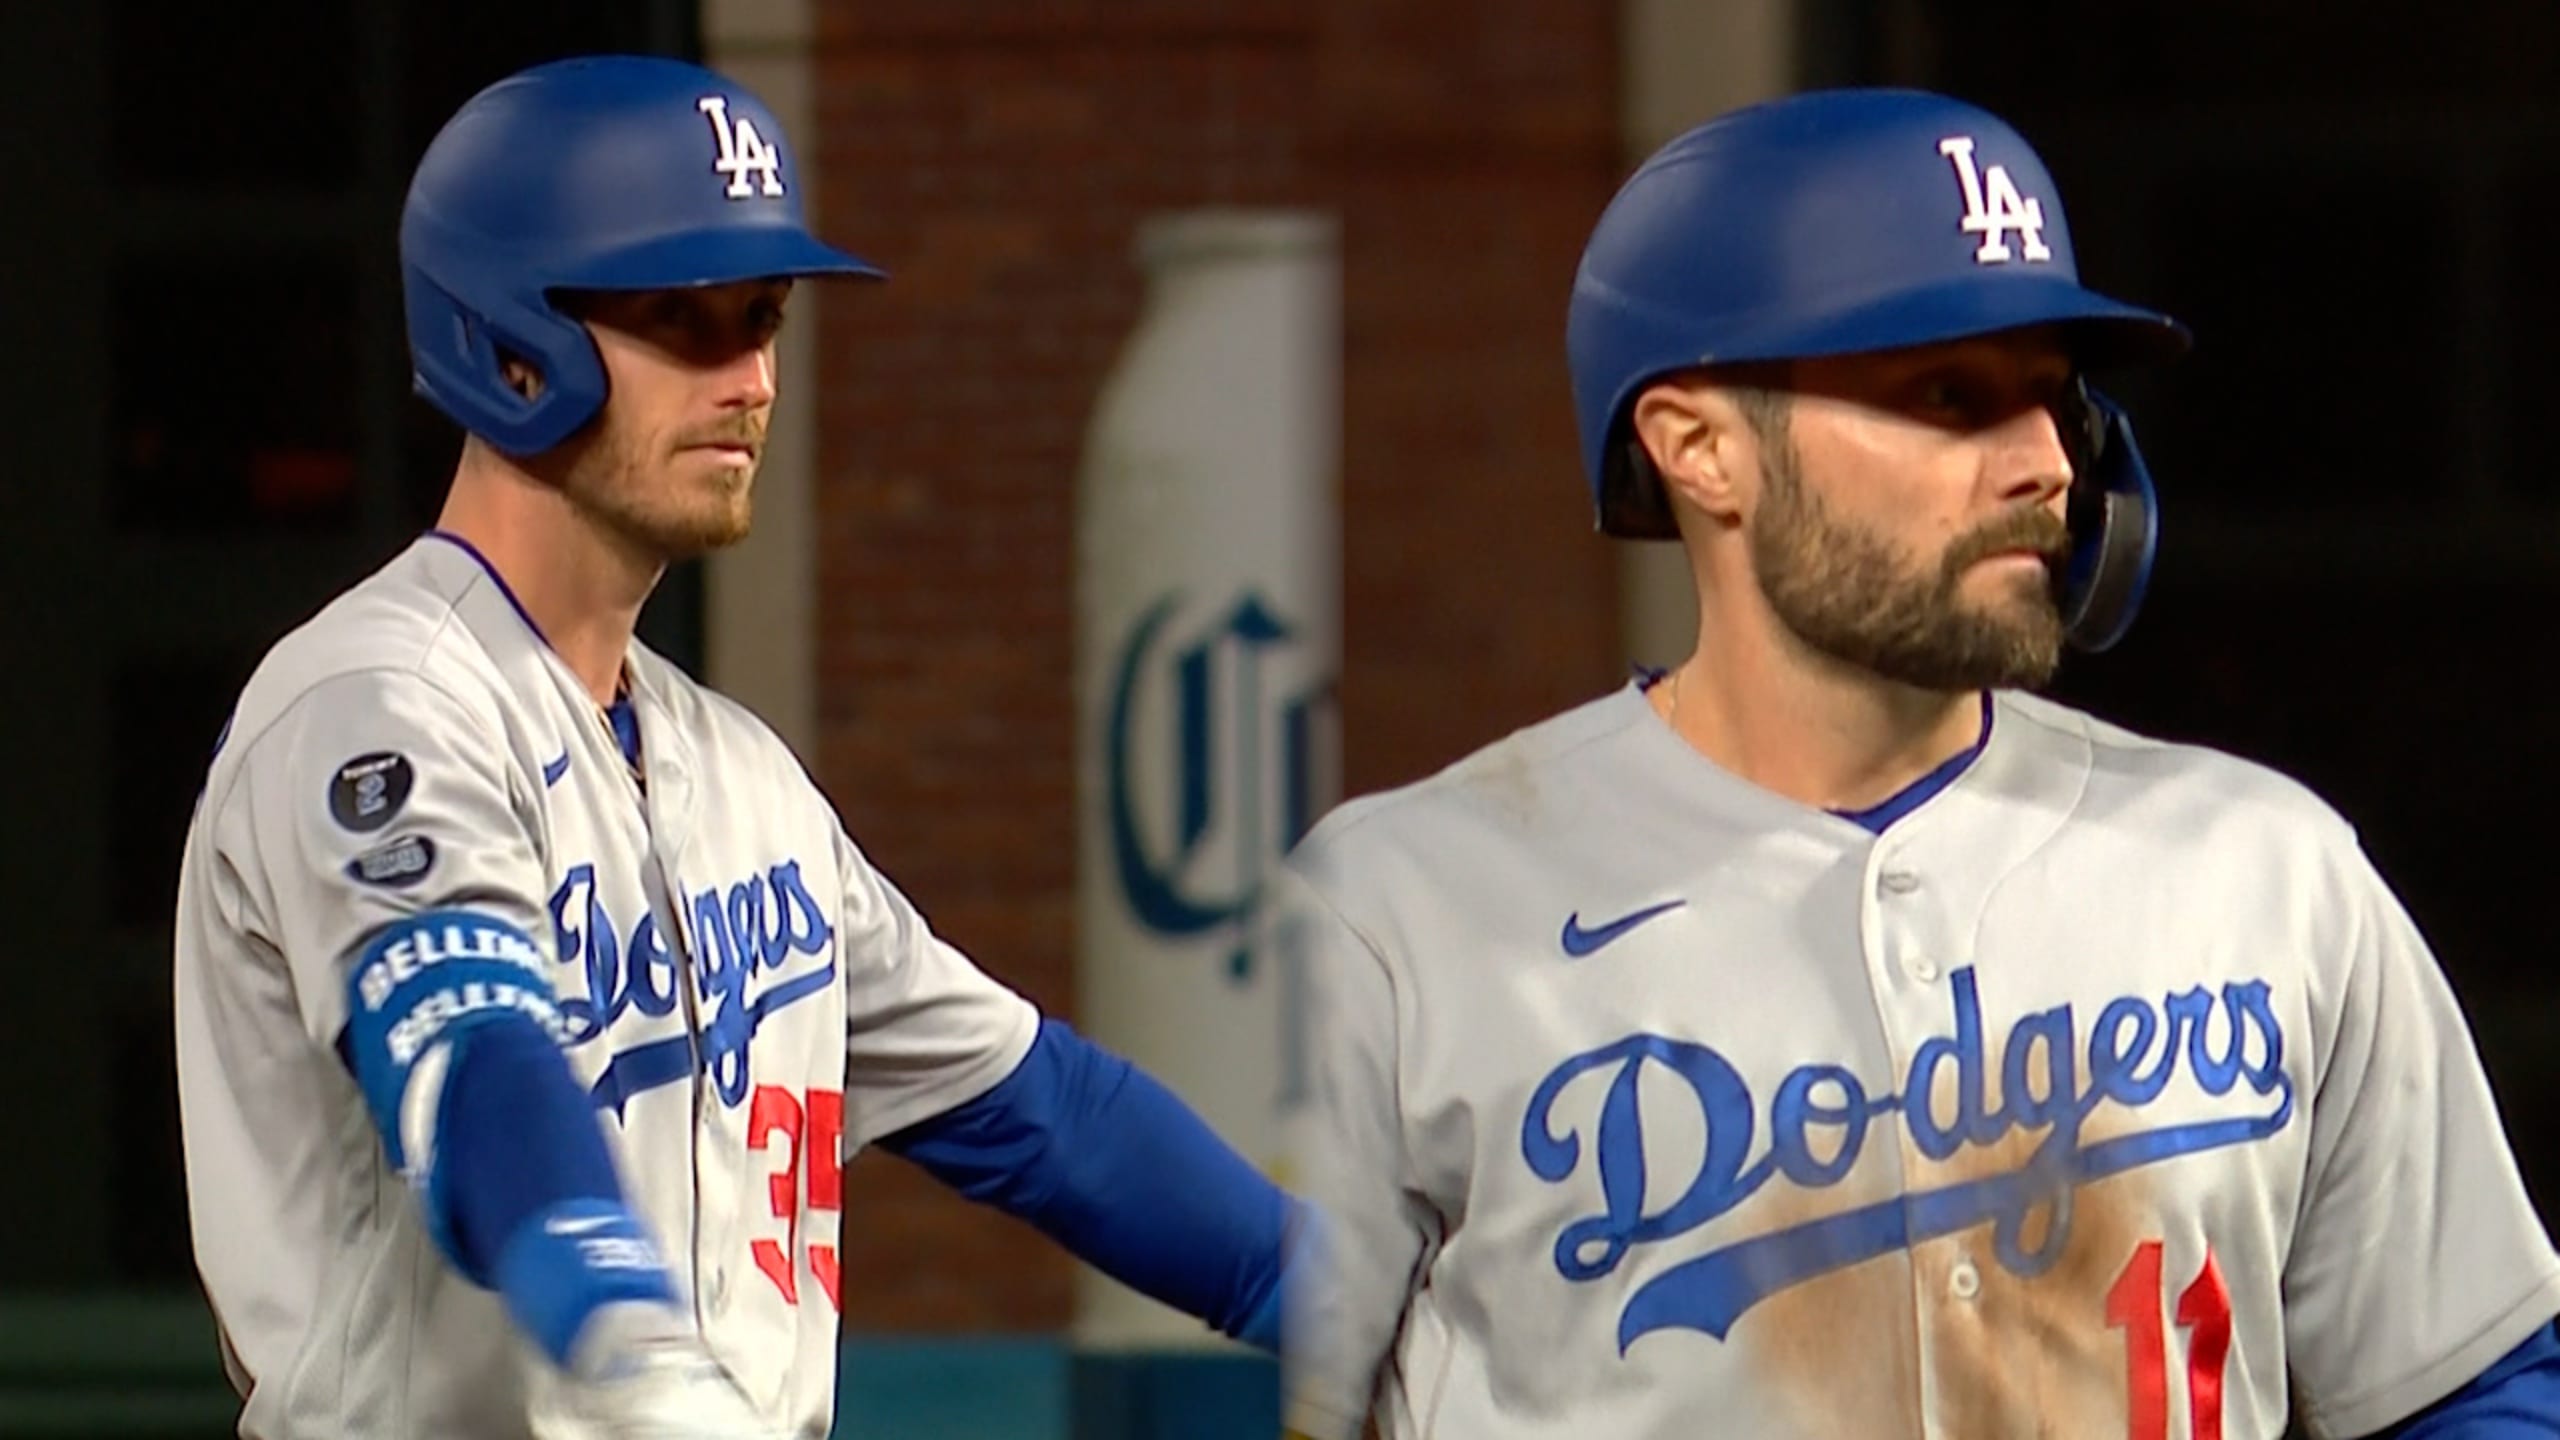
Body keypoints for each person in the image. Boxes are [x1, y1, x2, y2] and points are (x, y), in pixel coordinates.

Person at [1277, 87, 2560, 1439]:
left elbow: (2475, 1384)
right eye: (1947, 395)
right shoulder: (1399, 914)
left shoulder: (2265, 873)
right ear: (1700, 447)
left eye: (2053, 400)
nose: (2045, 465)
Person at [174, 54, 1292, 1440]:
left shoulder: (739, 778)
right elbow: (467, 1057)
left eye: (761, 319)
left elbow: (1038, 1110)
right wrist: (615, 1324)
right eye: (683, 322)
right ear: (511, 343)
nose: (752, 379)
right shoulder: (371, 704)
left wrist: (1350, 1295)